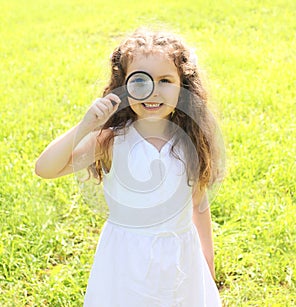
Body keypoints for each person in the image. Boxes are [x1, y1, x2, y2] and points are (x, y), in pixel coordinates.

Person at [35, 28, 223, 306]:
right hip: (126, 261)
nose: (153, 92)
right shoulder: (110, 139)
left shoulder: (190, 140)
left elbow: (198, 203)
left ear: (183, 86)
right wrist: (86, 126)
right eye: (141, 81)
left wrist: (207, 259)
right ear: (124, 85)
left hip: (182, 258)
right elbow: (45, 168)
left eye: (165, 81)